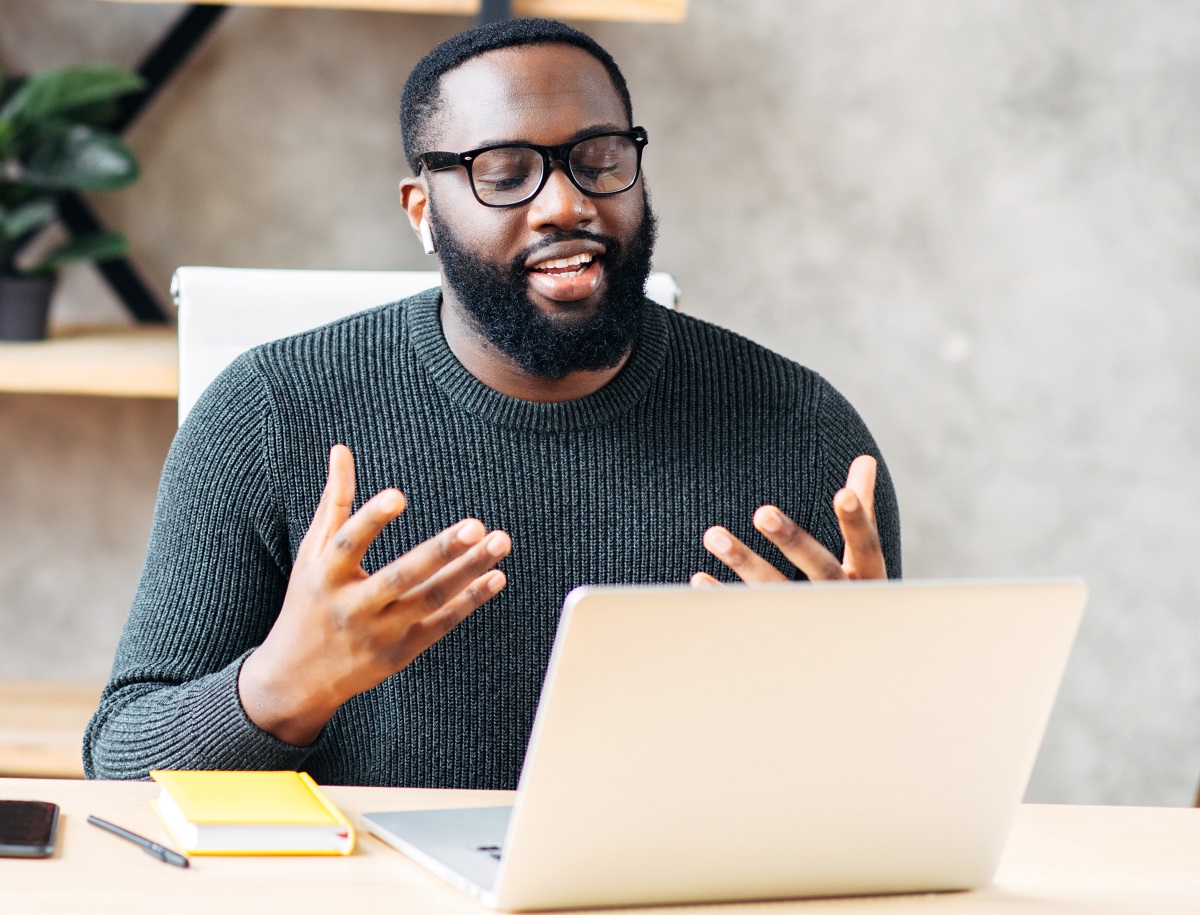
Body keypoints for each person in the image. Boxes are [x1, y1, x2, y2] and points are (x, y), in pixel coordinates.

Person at [84, 18, 901, 788]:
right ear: (423, 213)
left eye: (600, 158)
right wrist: (278, 688)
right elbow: (120, 757)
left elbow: (883, 786)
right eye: (504, 173)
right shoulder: (269, 415)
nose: (566, 204)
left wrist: (865, 697)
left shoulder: (804, 434)